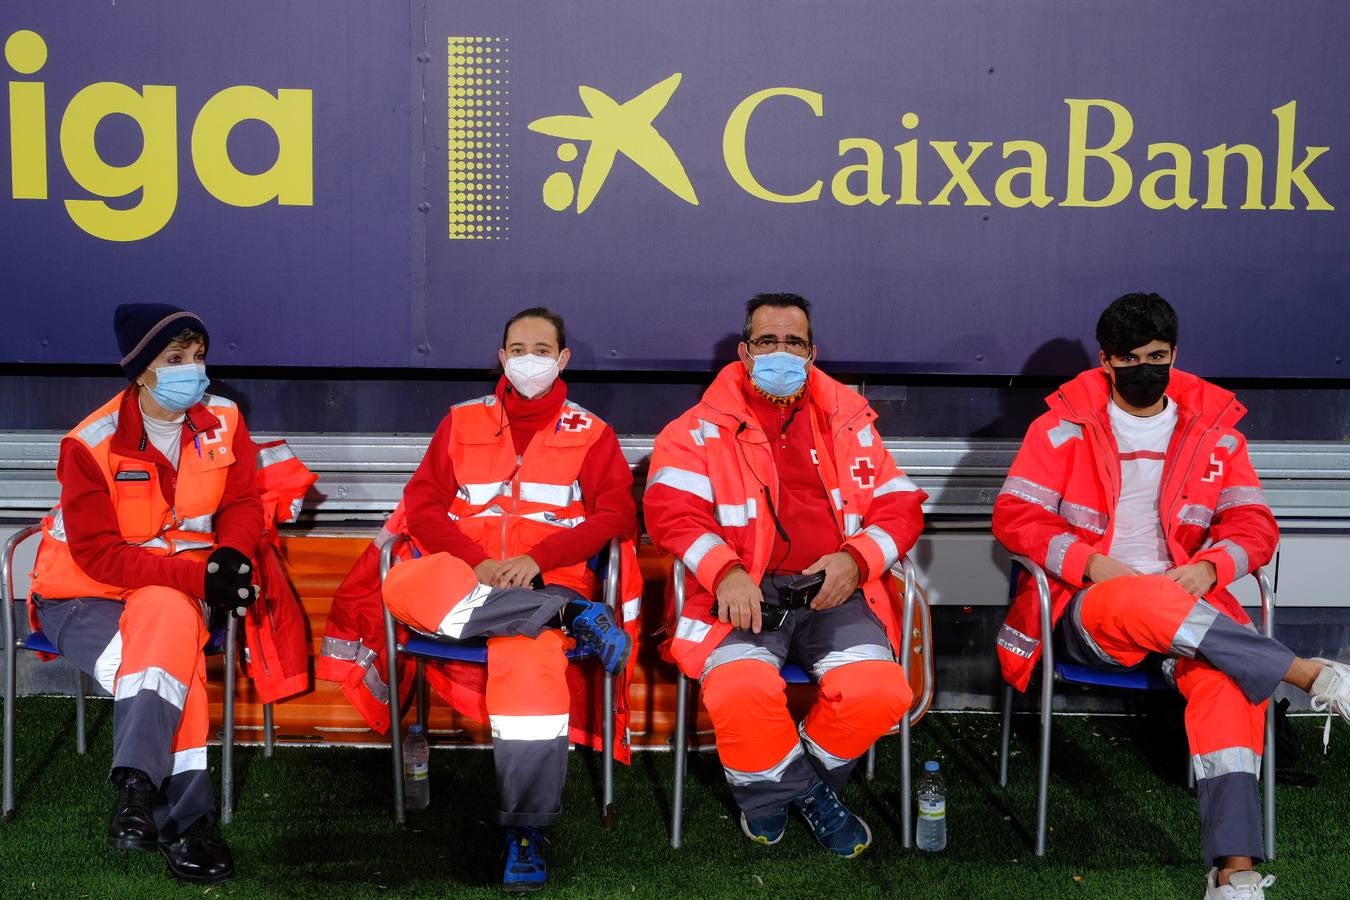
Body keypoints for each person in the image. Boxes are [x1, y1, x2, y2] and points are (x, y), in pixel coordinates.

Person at [994, 292, 1350, 900]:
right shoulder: (1060, 427)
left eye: (1157, 355)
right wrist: (1092, 563)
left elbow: (1254, 527)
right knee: (1143, 596)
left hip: (1193, 613)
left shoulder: (1215, 431)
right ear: (1106, 361)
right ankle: (1310, 674)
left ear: (1175, 352)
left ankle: (1233, 873)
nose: (1145, 368)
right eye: (1129, 358)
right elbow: (1015, 518)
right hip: (1091, 610)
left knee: (1229, 687)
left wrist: (1210, 570)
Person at [644, 292, 924, 857]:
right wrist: (724, 572)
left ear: (811, 352)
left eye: (792, 342)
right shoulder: (695, 429)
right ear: (745, 352)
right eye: (767, 341)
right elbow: (670, 510)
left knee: (879, 690)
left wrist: (857, 560)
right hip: (740, 592)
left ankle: (770, 792)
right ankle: (810, 798)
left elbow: (900, 505)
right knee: (739, 687)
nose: (780, 352)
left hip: (835, 588)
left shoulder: (848, 419)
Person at [377, 307, 636, 893]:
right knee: (398, 584)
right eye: (518, 349)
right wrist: (481, 564)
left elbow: (617, 513)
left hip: (547, 580)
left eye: (541, 349)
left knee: (531, 669)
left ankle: (525, 829)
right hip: (465, 581)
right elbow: (420, 507)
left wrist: (537, 562)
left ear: (563, 359)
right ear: (501, 357)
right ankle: (570, 617)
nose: (529, 360)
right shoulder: (461, 420)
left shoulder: (591, 433)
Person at [28, 304, 263, 884]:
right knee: (173, 663)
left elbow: (242, 503)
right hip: (80, 598)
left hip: (170, 592)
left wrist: (232, 553)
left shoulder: (225, 419)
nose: (194, 370)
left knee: (165, 623)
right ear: (141, 372)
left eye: (199, 357)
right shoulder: (89, 443)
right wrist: (199, 578)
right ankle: (187, 826)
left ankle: (136, 788)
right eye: (176, 360)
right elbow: (98, 556)